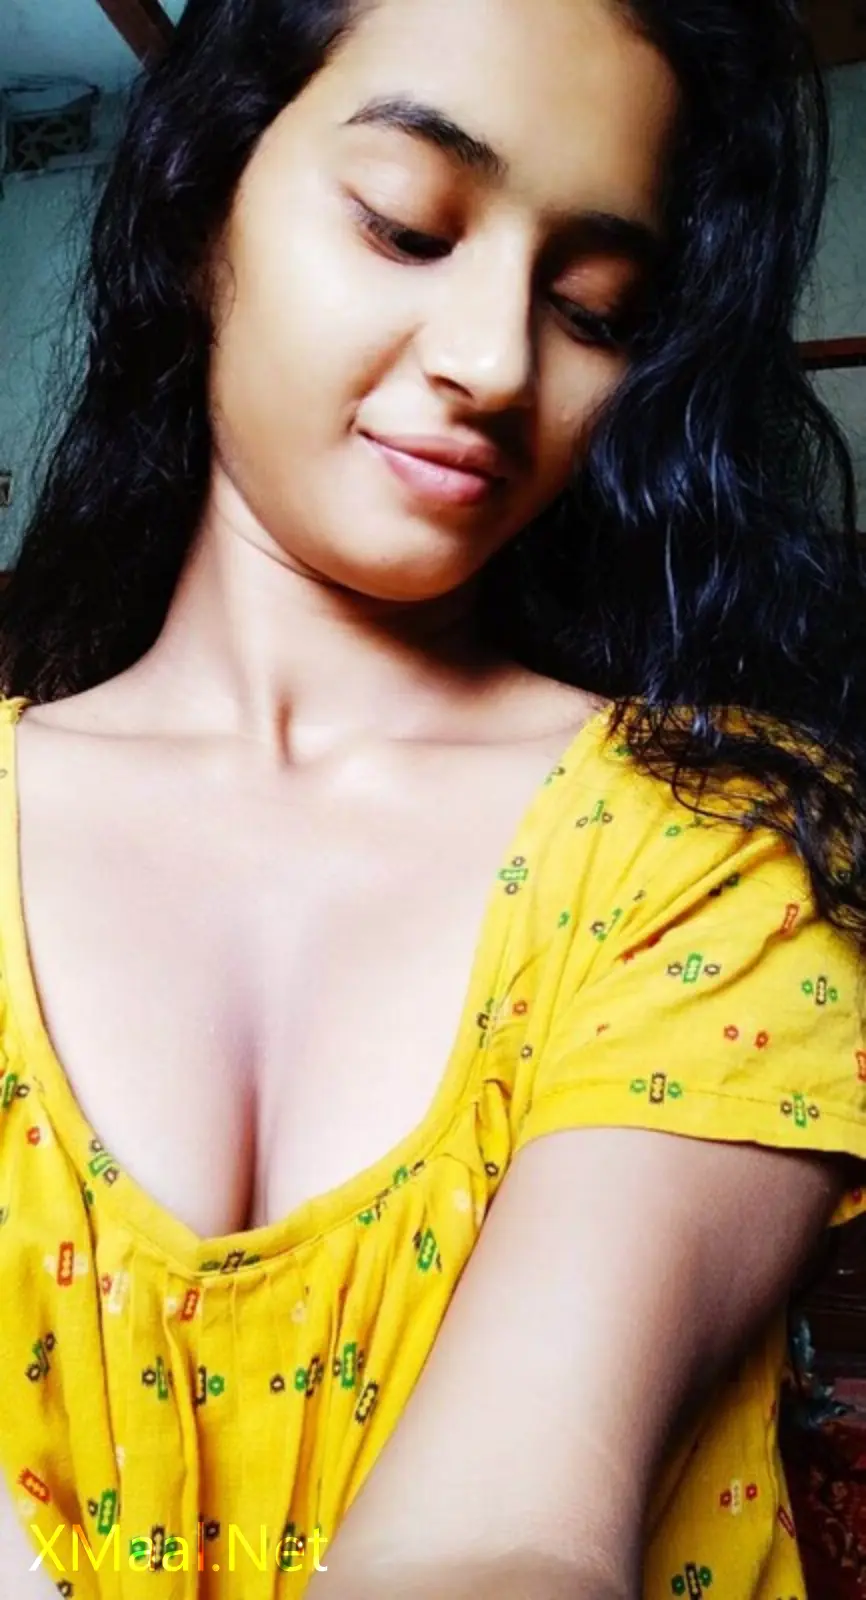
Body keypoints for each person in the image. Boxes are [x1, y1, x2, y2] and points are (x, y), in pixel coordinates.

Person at [0, 0, 864, 1595]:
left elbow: (506, 1536)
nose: (493, 362)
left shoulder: (716, 843)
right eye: (405, 227)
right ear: (201, 209)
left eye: (592, 307)